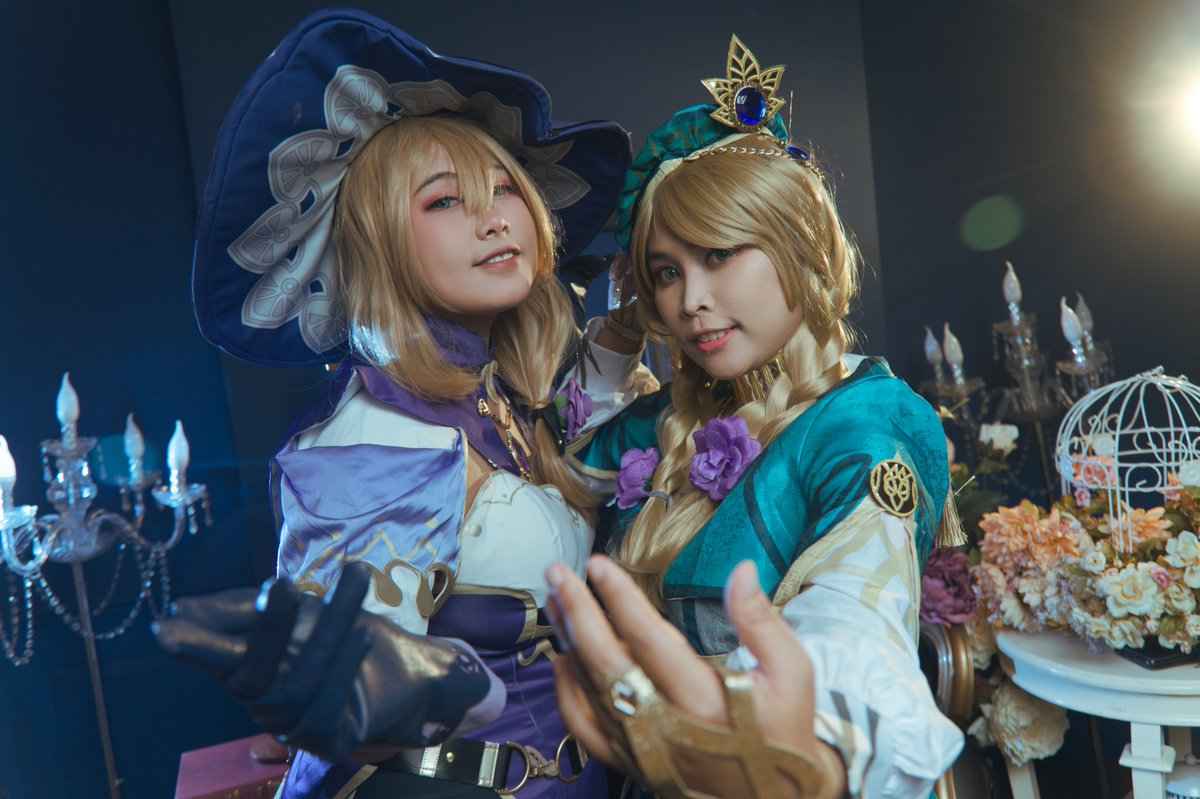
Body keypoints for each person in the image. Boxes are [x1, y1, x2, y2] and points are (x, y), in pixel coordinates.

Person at [155, 9, 654, 798]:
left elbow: (570, 428)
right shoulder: (374, 442)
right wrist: (387, 686)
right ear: (380, 240)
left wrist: (626, 329)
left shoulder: (494, 391)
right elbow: (358, 710)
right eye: (445, 201)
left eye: (504, 188)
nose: (494, 217)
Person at [547, 35, 965, 799]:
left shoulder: (864, 421)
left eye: (719, 253)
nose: (689, 300)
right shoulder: (670, 418)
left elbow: (856, 614)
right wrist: (622, 329)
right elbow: (558, 463)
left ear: (799, 245)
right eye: (665, 272)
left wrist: (809, 750)